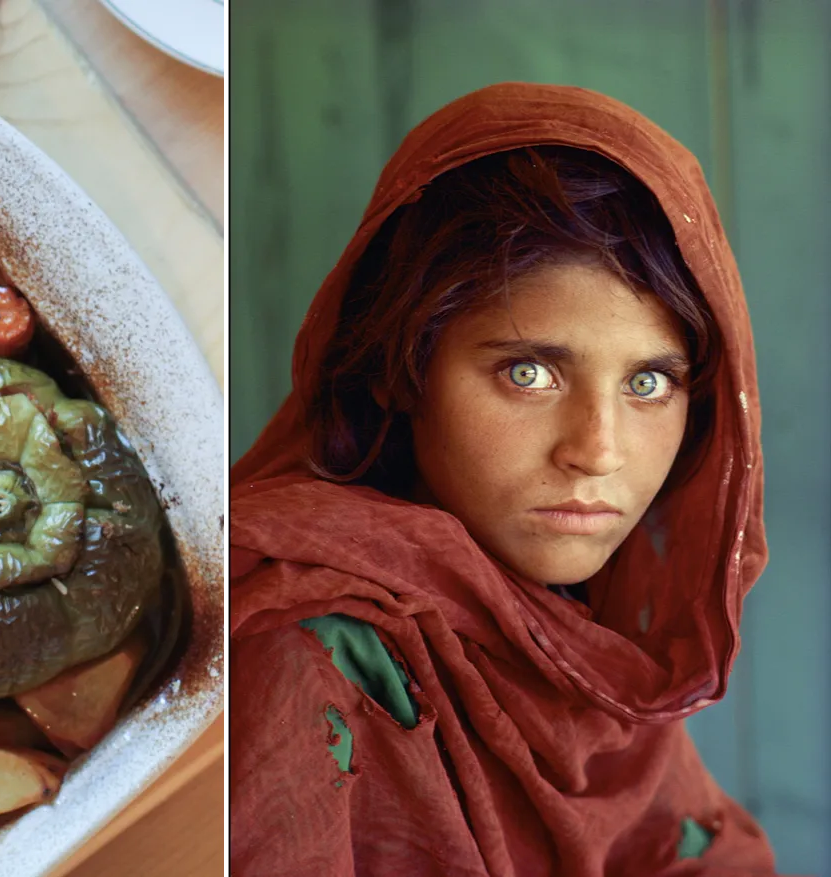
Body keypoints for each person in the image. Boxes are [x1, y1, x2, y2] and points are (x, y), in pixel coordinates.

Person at [229, 82, 778, 876]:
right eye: (529, 372)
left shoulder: (589, 635)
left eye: (650, 383)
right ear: (401, 366)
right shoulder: (301, 649)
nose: (598, 450)